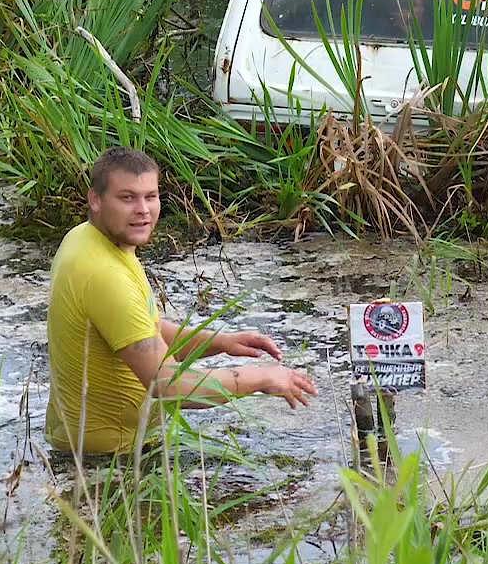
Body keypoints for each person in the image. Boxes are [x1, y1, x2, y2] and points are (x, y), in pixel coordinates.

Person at [46, 146, 319, 459]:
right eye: (127, 197)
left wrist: (219, 343)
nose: (143, 210)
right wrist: (261, 377)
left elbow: (141, 329)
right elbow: (170, 386)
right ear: (96, 199)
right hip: (109, 463)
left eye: (150, 196)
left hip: (86, 443)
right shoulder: (105, 276)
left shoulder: (86, 239)